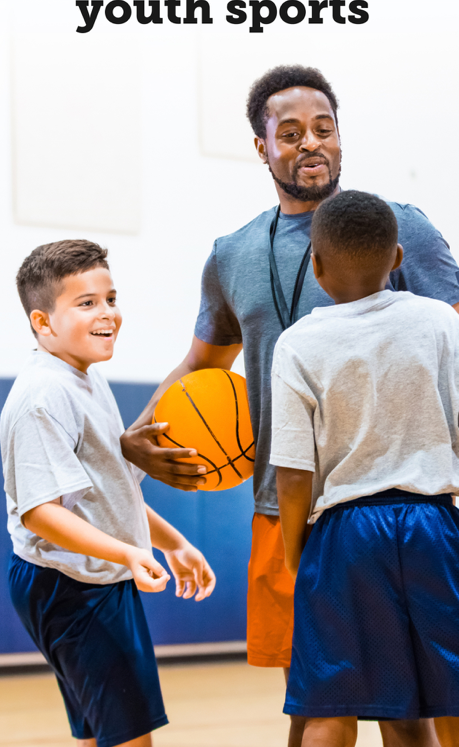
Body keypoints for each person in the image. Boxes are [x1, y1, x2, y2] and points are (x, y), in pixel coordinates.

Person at [119, 64, 459, 747]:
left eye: (324, 129)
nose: (311, 144)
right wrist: (136, 434)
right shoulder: (232, 254)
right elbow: (201, 365)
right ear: (262, 145)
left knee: (413, 709)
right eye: (292, 132)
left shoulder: (394, 227)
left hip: (399, 496)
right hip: (287, 506)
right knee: (310, 704)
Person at [0, 239, 216, 747]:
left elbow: (105, 494)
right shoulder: (43, 394)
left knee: (101, 730)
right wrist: (128, 553)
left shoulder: (84, 377)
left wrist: (173, 543)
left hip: (87, 577)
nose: (107, 313)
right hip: (70, 585)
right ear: (42, 322)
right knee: (129, 736)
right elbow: (41, 514)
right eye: (86, 303)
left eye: (111, 299)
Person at [272, 190, 459, 747]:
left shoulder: (297, 343)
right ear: (398, 258)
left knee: (332, 704)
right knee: (449, 692)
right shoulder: (440, 322)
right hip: (433, 523)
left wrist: (296, 553)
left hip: (344, 534)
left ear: (316, 265)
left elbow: (292, 472)